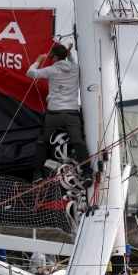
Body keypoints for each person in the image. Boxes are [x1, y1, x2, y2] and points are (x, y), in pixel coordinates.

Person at [26, 43, 91, 183]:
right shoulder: (75, 68)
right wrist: (70, 55)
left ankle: (37, 174)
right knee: (78, 142)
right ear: (66, 56)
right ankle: (87, 173)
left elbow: (30, 73)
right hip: (72, 114)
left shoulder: (51, 70)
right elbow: (72, 62)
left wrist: (38, 60)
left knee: (42, 142)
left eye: (51, 57)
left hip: (54, 114)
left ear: (55, 57)